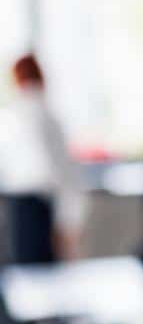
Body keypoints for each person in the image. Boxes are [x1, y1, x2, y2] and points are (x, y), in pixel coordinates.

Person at [0, 54, 86, 262]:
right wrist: (70, 220)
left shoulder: (15, 115)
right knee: (44, 279)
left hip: (25, 207)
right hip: (38, 207)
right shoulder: (43, 116)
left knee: (29, 276)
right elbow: (62, 174)